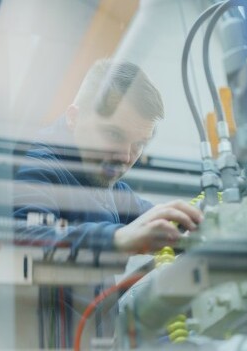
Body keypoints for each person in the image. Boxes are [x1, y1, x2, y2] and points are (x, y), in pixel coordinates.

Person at [14, 59, 202, 256]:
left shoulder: (103, 181)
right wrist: (118, 238)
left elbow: (154, 217)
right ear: (73, 118)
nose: (125, 156)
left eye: (139, 144)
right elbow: (26, 240)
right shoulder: (37, 165)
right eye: (114, 135)